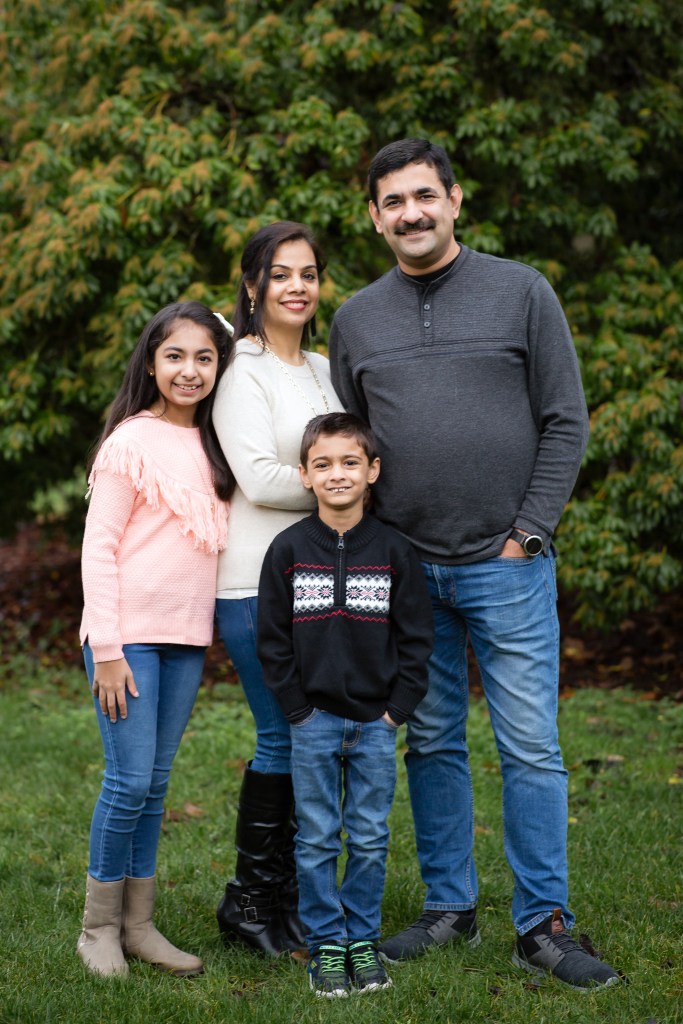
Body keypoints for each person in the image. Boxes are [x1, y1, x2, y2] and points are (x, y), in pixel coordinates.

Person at [329, 139, 620, 990]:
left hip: (506, 562)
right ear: (373, 217)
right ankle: (448, 908)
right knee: (430, 741)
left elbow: (565, 419)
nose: (410, 213)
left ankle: (542, 924)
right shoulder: (356, 318)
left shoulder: (521, 291)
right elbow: (350, 444)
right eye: (392, 201)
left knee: (529, 745)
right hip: (406, 570)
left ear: (454, 200)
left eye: (424, 195)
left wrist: (527, 532)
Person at [78, 301, 234, 978]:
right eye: (174, 356)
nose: (189, 370)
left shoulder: (217, 444)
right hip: (127, 638)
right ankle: (97, 929)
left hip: (185, 638)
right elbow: (98, 549)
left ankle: (138, 925)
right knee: (128, 780)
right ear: (150, 363)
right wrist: (108, 650)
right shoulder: (130, 442)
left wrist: (230, 328)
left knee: (156, 783)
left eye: (204, 357)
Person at [256, 412, 433, 997]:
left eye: (350, 462)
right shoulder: (287, 550)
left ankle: (362, 938)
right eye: (323, 464)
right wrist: (297, 709)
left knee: (370, 835)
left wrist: (396, 710)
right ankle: (326, 943)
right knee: (316, 837)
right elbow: (272, 641)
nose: (338, 474)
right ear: (305, 475)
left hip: (376, 723)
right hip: (313, 721)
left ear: (372, 471)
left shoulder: (394, 551)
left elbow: (417, 639)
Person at [211, 222, 344, 955]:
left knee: (311, 734)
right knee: (283, 733)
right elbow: (261, 479)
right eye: (280, 273)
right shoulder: (241, 366)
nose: (297, 286)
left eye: (308, 273)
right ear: (252, 284)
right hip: (254, 582)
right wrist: (345, 489)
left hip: (318, 578)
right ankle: (252, 901)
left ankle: (286, 896)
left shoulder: (323, 367)